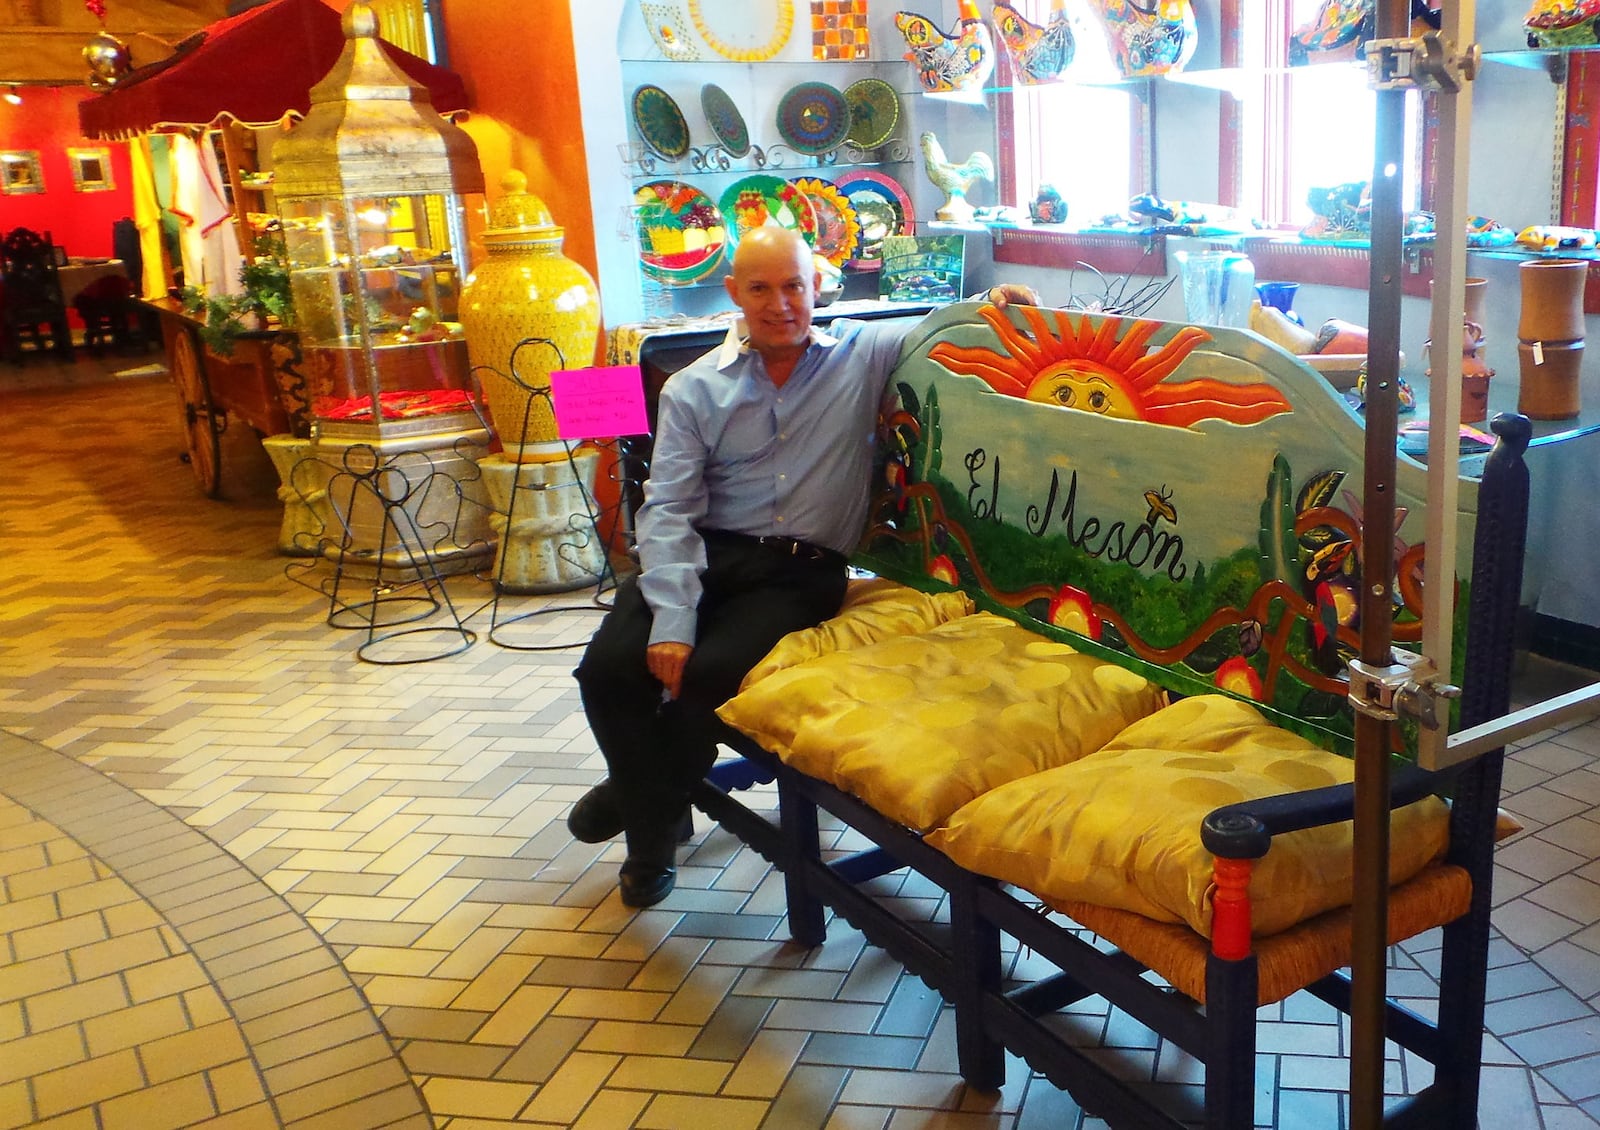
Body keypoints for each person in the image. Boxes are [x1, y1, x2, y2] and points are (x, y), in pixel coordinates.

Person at [571, 226, 1039, 907]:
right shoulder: (694, 389)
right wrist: (672, 616)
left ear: (817, 286)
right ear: (734, 293)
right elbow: (669, 509)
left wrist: (993, 297)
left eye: (793, 285)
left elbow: (940, 326)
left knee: (707, 676)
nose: (780, 303)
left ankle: (640, 825)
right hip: (705, 551)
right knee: (609, 668)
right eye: (760, 288)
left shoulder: (863, 350)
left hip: (799, 573)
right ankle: (662, 799)